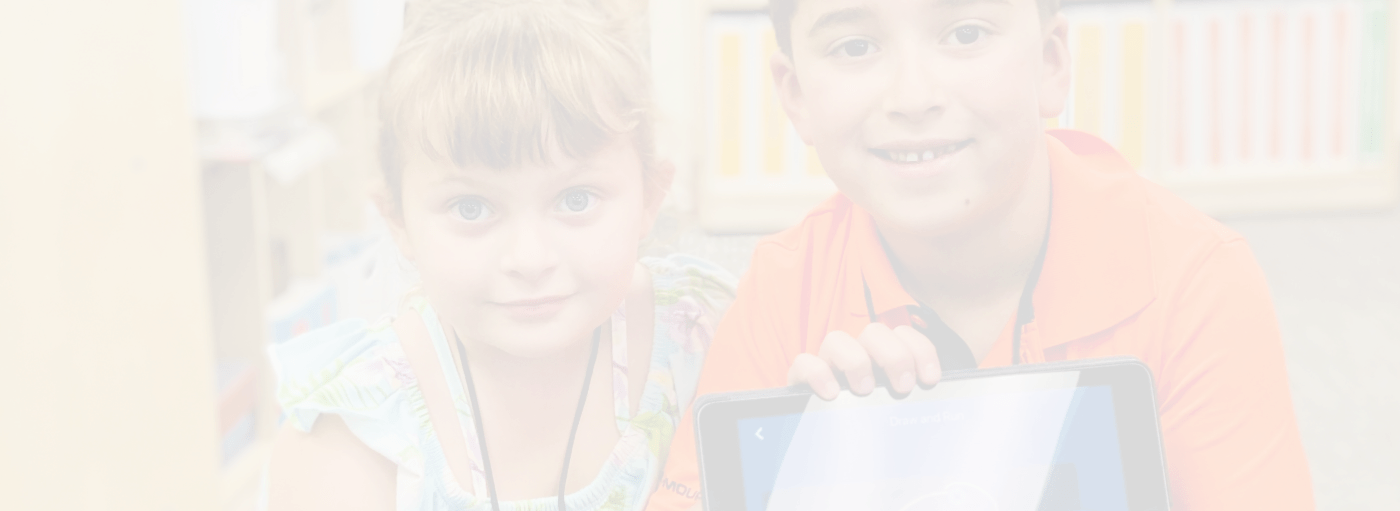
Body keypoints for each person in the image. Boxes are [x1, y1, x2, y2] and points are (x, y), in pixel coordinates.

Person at [646, 0, 1315, 509]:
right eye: (855, 47)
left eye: (966, 34)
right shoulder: (786, 283)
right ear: (795, 97)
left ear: (1051, 63)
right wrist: (790, 472)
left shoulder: (1196, 278)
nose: (913, 98)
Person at [258, 1, 737, 509]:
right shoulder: (353, 436)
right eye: (471, 207)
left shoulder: (706, 334)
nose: (529, 259)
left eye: (576, 199)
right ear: (397, 220)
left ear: (650, 198)